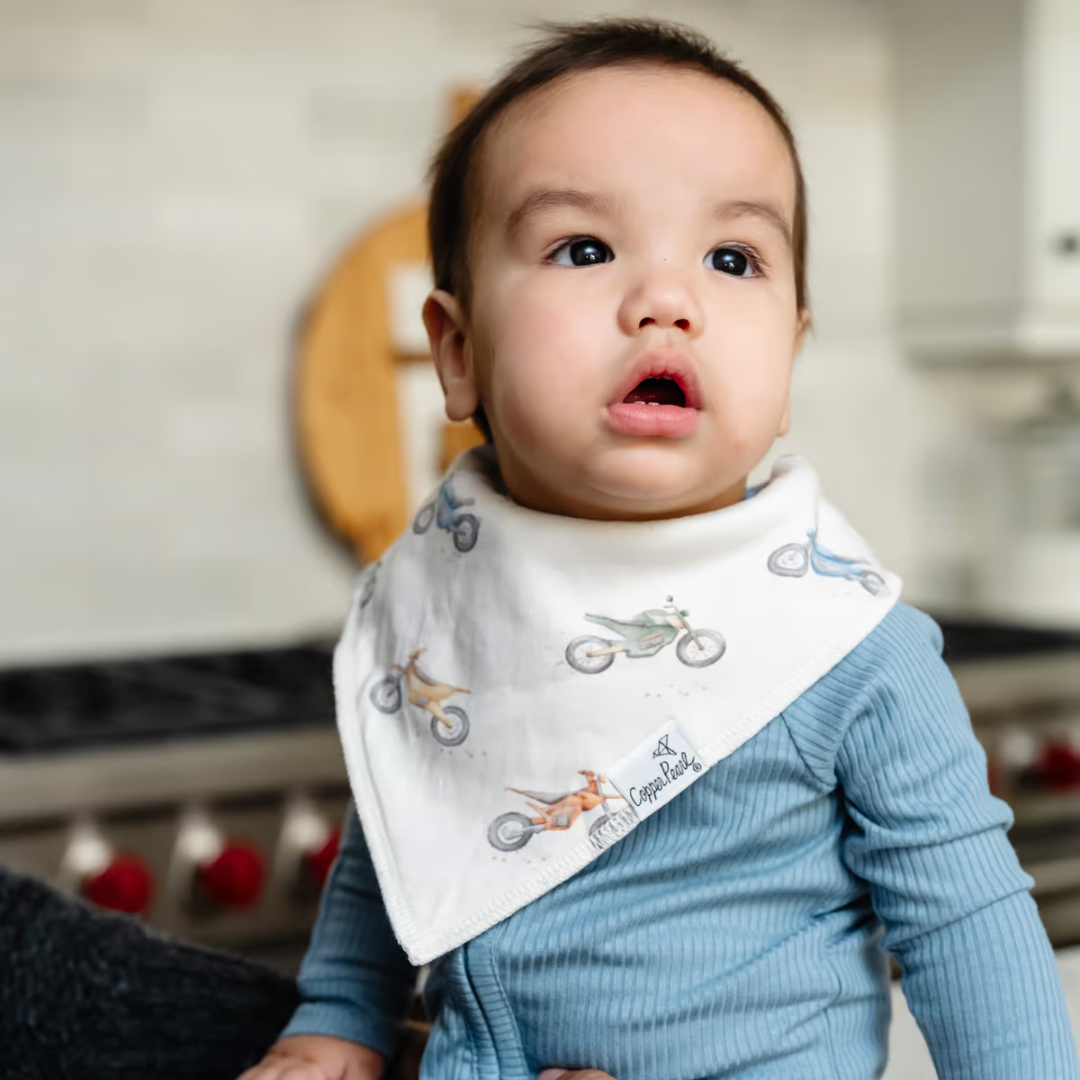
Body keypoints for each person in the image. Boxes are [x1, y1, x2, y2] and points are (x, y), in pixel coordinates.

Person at [240, 18, 1079, 1080]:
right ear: (456, 352)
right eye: (585, 249)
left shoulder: (838, 641)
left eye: (733, 259)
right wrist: (336, 1020)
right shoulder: (442, 597)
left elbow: (968, 921)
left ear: (789, 354)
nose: (667, 303)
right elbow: (414, 832)